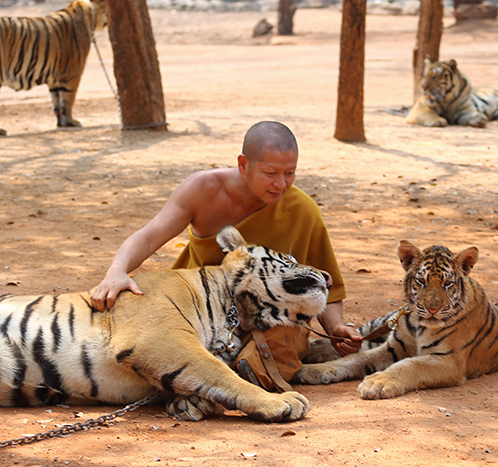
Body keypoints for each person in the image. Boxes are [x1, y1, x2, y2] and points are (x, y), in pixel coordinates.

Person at [89, 121, 361, 389]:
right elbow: (148, 237)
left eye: (290, 173)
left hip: (266, 318)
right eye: (271, 173)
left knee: (281, 343)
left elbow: (327, 283)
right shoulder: (202, 190)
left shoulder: (303, 209)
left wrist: (336, 328)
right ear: (244, 164)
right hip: (199, 308)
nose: (281, 184)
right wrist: (117, 270)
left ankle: (224, 382)